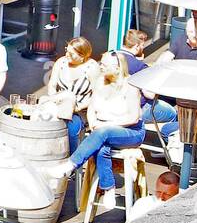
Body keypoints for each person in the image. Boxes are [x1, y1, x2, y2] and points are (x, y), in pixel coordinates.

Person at [49, 51, 144, 212]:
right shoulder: (100, 83)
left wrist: (107, 125)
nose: (100, 66)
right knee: (101, 147)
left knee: (103, 133)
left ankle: (71, 164)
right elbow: (92, 108)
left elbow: (133, 118)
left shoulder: (130, 87)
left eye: (104, 65)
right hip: (102, 129)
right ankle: (108, 188)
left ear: (117, 68)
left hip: (130, 131)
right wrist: (93, 123)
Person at [47, 36, 101, 152]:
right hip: (60, 105)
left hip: (81, 109)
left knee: (71, 128)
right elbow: (52, 85)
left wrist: (78, 107)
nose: (67, 55)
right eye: (67, 51)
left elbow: (96, 95)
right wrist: (54, 98)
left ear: (82, 56)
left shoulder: (92, 67)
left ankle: (71, 158)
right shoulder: (61, 62)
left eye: (71, 54)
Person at [121, 28, 177, 126]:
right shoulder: (139, 66)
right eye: (142, 46)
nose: (143, 48)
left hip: (111, 104)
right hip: (135, 109)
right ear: (137, 46)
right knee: (172, 113)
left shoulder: (110, 56)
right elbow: (150, 94)